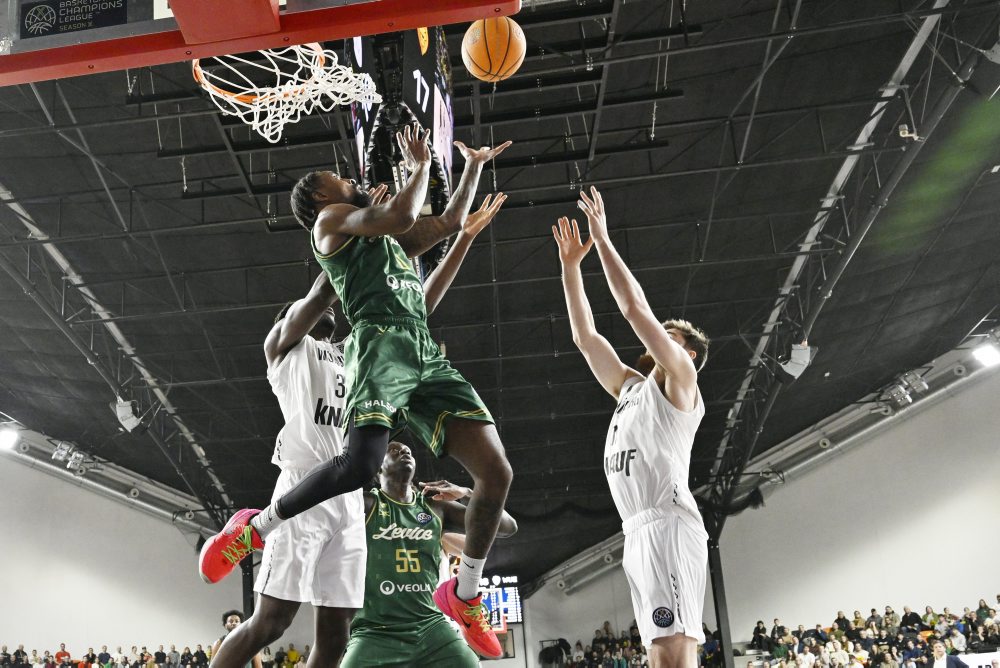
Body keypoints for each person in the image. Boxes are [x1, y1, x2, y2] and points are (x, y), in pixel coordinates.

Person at [200, 123, 514, 658]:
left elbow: (430, 251)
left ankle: (466, 595)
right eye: (339, 178)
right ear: (323, 197)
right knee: (269, 624)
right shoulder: (293, 340)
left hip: (350, 495)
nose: (349, 178)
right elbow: (341, 275)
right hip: (303, 483)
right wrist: (414, 170)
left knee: (336, 636)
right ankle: (254, 527)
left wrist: (472, 168)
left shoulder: (348, 344)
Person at [554, 186, 710, 668]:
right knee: (658, 652)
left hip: (668, 522)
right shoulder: (631, 388)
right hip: (637, 529)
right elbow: (585, 338)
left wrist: (601, 238)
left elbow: (633, 310)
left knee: (676, 651)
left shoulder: (682, 382)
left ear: (689, 354)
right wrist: (571, 267)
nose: (660, 337)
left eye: (673, 336)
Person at [340, 440, 517, 666]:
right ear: (377, 467)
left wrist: (467, 493)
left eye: (408, 450)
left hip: (431, 628)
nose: (404, 451)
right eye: (394, 450)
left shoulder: (435, 508)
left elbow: (507, 527)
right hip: (375, 631)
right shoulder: (364, 504)